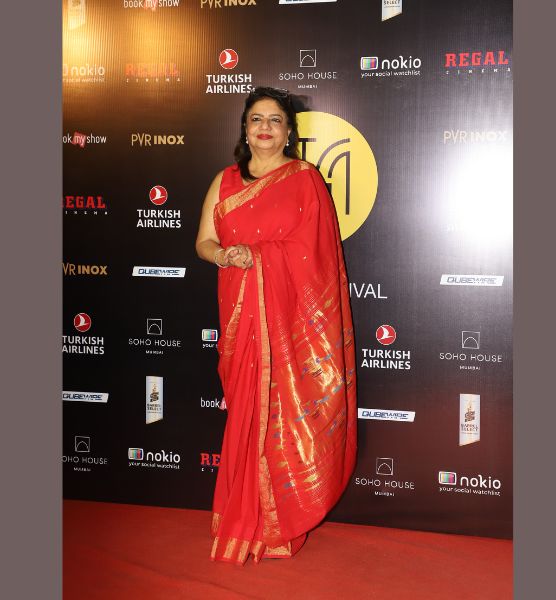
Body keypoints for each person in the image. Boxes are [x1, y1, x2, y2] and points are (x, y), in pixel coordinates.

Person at [195, 87, 357, 566]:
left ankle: (277, 522)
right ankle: (243, 515)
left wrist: (261, 257)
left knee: (278, 411)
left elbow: (318, 255)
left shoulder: (306, 179)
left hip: (286, 325)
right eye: (256, 119)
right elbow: (204, 241)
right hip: (239, 313)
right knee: (245, 409)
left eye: (274, 120)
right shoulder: (225, 181)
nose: (264, 128)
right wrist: (225, 255)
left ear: (289, 131)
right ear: (244, 130)